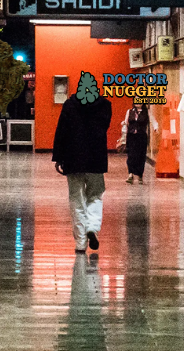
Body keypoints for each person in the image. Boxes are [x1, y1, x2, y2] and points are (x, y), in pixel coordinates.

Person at [52, 72, 112, 253]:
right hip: (96, 159)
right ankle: (92, 227)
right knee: (95, 196)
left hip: (73, 159)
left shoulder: (69, 105)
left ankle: (80, 242)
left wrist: (58, 157)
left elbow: (61, 131)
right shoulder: (105, 105)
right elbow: (104, 128)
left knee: (76, 199)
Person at [124, 103, 158, 185]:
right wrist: (123, 134)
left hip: (141, 137)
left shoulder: (147, 112)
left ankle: (140, 175)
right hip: (131, 136)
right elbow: (126, 123)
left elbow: (153, 121)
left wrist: (156, 128)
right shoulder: (130, 111)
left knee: (141, 156)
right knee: (131, 155)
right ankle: (130, 174)